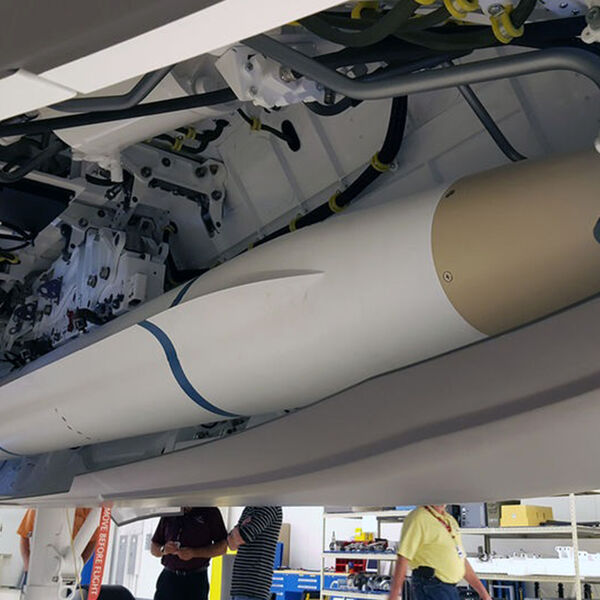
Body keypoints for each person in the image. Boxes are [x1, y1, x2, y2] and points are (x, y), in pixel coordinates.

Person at [389, 505, 492, 600]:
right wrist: (394, 595)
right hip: (431, 586)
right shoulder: (419, 518)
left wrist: (484, 594)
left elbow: (461, 559)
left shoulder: (449, 520)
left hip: (449, 589)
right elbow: (403, 557)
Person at [150, 506, 227, 600]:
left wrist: (194, 553)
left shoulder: (210, 511)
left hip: (195, 579)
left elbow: (222, 547)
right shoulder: (170, 511)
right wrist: (164, 549)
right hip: (168, 577)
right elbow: (154, 547)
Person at [17, 508, 99, 581]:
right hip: (38, 568)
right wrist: (28, 568)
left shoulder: (89, 508)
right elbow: (25, 536)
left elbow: (93, 540)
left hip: (65, 574)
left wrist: (74, 566)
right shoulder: (39, 506)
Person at [227, 506, 283, 600]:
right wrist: (239, 531)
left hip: (254, 585)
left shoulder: (269, 507)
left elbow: (241, 538)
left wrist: (238, 530)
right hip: (240, 584)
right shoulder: (249, 508)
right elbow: (231, 544)